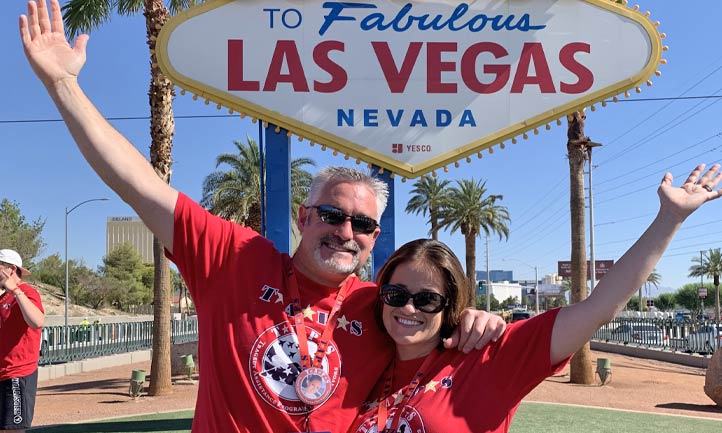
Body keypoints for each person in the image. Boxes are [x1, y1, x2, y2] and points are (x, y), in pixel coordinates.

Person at [18, 2, 505, 432]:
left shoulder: (383, 306)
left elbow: (437, 336)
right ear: (303, 216)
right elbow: (137, 183)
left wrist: (478, 320)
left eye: (362, 225)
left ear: (375, 237)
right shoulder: (233, 259)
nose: (345, 232)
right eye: (333, 215)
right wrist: (63, 84)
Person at [350, 163, 722, 433]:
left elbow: (599, 308)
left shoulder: (488, 358)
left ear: (452, 304)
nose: (409, 308)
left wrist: (669, 218)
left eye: (428, 299)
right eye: (397, 294)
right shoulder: (358, 356)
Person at [0, 249, 45, 432]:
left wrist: (16, 290)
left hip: (18, 375)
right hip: (3, 373)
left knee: (13, 429)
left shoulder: (26, 292)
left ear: (11, 269)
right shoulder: (3, 298)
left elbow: (37, 321)